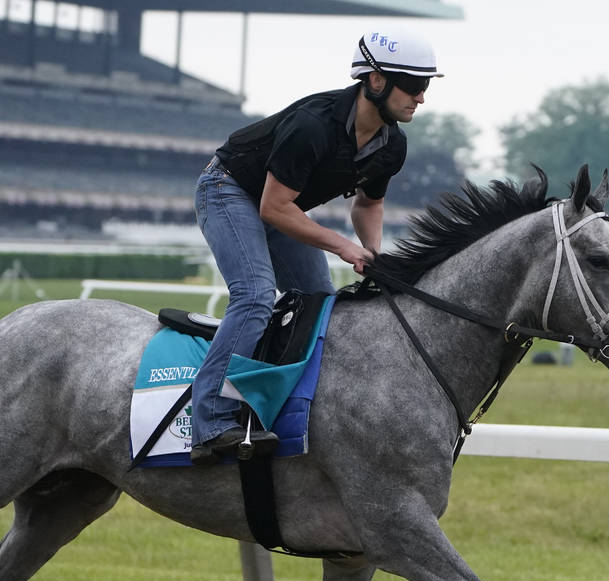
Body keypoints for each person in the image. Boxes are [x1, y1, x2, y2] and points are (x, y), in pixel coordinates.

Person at [189, 30, 442, 465]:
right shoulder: (314, 124)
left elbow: (369, 204)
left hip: (278, 204)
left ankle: (275, 403)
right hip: (229, 190)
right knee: (254, 295)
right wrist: (344, 248)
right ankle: (211, 422)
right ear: (377, 81)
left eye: (426, 87)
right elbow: (273, 207)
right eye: (414, 86)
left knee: (319, 302)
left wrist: (373, 254)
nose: (421, 98)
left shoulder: (392, 144)